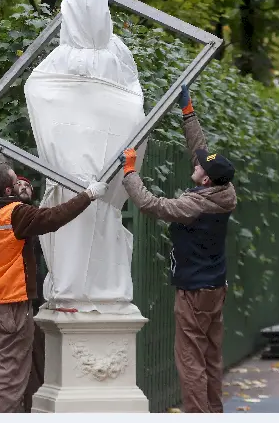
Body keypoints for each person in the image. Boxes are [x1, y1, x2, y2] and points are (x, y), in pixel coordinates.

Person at [118, 85, 237, 413]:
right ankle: (214, 412)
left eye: (200, 167)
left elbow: (150, 204)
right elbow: (202, 150)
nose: (196, 163)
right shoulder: (224, 192)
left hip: (194, 291)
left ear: (205, 181)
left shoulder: (193, 205)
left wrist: (130, 172)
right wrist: (188, 113)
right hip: (216, 286)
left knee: (190, 361)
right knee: (211, 356)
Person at [0, 143, 107, 413]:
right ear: (9, 191)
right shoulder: (17, 214)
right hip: (12, 306)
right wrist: (88, 195)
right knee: (9, 380)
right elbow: (54, 217)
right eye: (15, 179)